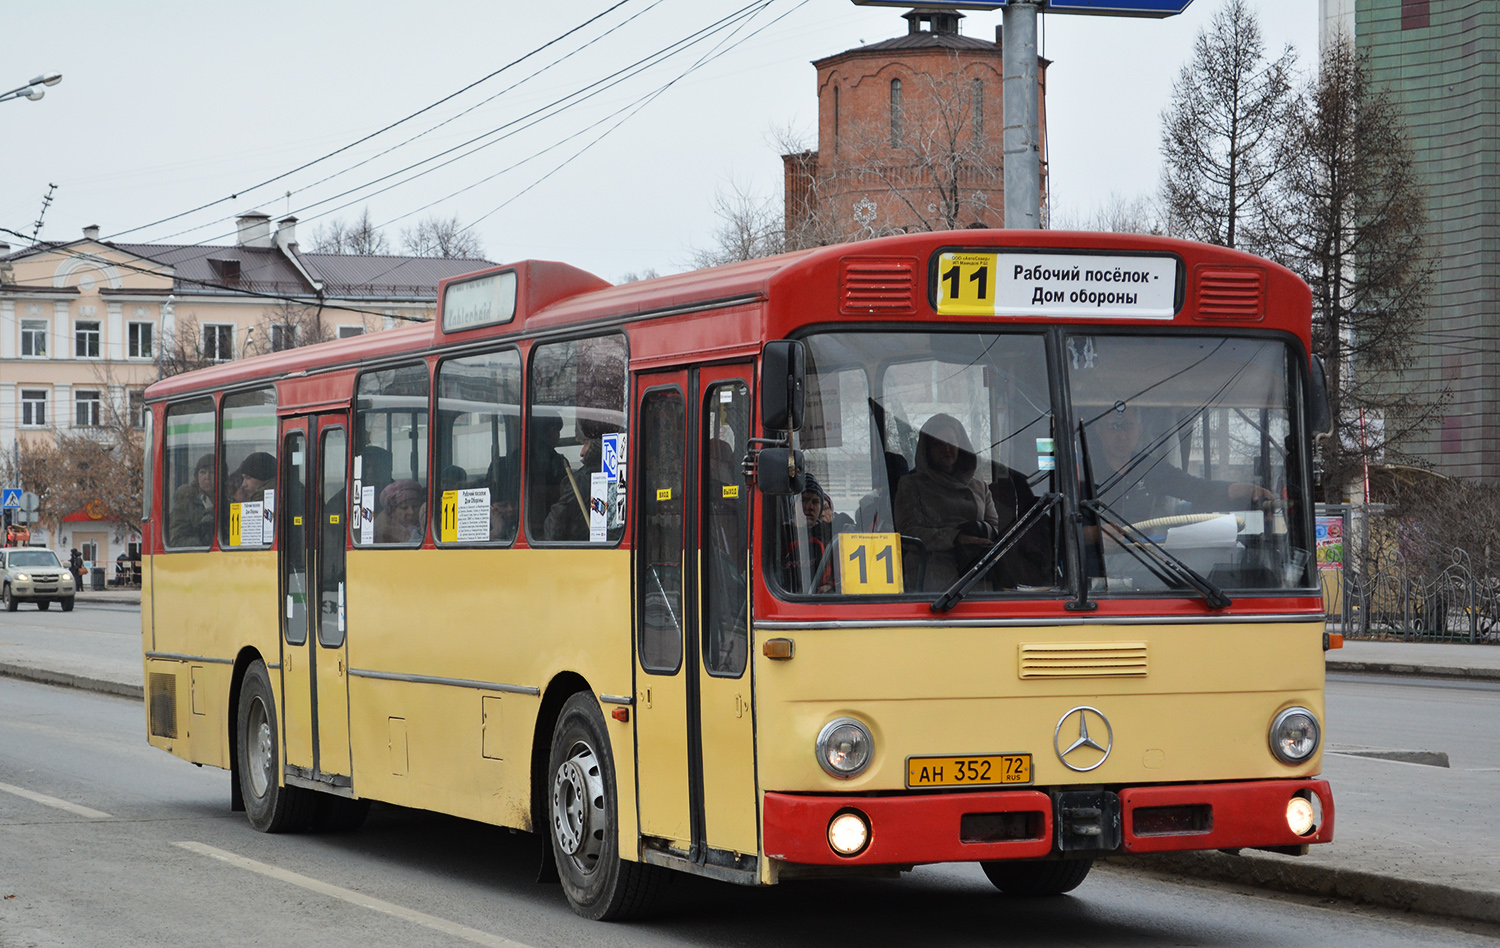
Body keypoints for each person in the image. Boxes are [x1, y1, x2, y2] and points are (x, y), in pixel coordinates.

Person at [1088, 404, 1273, 524]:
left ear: (1139, 430)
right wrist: (1094, 535)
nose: (1122, 436)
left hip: (1145, 563)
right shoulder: (1083, 472)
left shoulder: (1150, 468)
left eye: (1128, 426)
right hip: (1093, 569)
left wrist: (1249, 491)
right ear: (1098, 430)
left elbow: (1198, 489)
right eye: (1114, 427)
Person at [894, 414, 1002, 591]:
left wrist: (980, 531)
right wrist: (956, 537)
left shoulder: (979, 487)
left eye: (951, 442)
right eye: (938, 443)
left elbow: (997, 527)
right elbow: (907, 534)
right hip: (932, 581)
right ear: (926, 449)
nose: (946, 449)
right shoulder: (911, 485)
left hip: (977, 576)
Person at [168, 453, 215, 547]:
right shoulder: (186, 500)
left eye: (212, 472)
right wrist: (203, 543)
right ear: (196, 476)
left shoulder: (229, 499)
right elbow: (177, 539)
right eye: (202, 472)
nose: (207, 478)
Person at [374, 479, 425, 544]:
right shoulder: (382, 533)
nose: (411, 512)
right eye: (404, 508)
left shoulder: (424, 526)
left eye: (415, 506)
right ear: (392, 512)